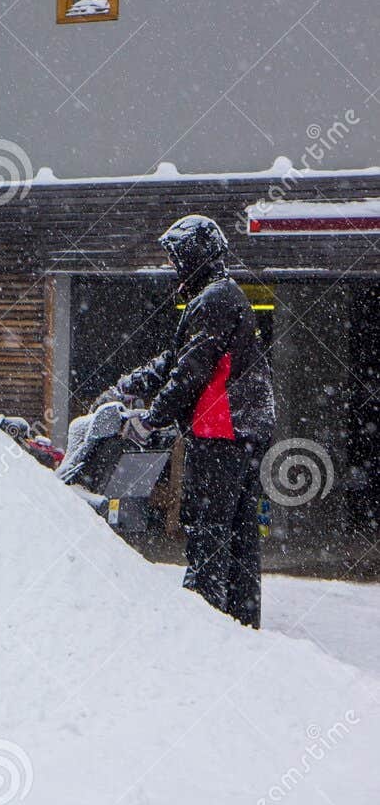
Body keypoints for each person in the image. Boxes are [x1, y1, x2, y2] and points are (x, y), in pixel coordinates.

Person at [113, 215, 275, 628]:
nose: (173, 267)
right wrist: (137, 380)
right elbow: (178, 357)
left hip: (223, 429)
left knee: (208, 525)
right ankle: (241, 620)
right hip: (243, 429)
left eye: (176, 258)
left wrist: (150, 420)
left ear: (194, 257)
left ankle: (205, 621)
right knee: (238, 527)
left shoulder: (216, 299)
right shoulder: (219, 296)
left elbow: (192, 369)